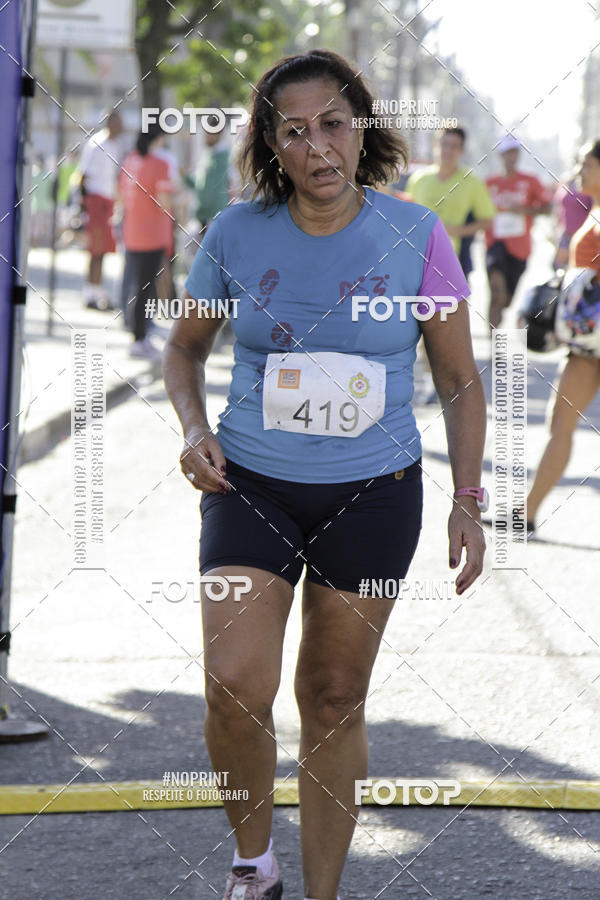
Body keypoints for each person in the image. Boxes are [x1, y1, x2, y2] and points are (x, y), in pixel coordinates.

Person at [163, 49, 487, 900]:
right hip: (251, 487)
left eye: (334, 125)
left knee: (334, 692)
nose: (318, 148)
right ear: (272, 146)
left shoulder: (418, 235)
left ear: (362, 129)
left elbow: (459, 379)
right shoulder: (235, 232)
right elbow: (185, 348)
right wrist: (195, 430)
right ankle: (252, 865)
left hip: (375, 494)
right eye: (295, 132)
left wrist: (470, 497)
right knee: (235, 684)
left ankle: (319, 893)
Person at [526, 139, 600, 533]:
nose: (579, 171)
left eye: (586, 163)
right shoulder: (593, 211)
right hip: (587, 346)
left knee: (561, 426)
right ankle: (526, 515)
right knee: (561, 424)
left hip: (592, 339)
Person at [485, 134, 552, 329]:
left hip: (520, 249)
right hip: (495, 244)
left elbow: (548, 208)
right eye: (507, 153)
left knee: (505, 299)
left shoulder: (531, 181)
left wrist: (524, 210)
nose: (511, 157)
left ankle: (501, 315)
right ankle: (494, 348)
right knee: (496, 294)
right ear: (500, 155)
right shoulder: (490, 183)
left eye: (514, 152)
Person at [118, 124, 173, 358]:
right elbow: (165, 202)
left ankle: (138, 332)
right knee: (145, 287)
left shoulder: (129, 161)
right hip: (152, 234)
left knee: (135, 284)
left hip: (132, 231)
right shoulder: (160, 165)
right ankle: (139, 337)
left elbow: (119, 195)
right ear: (158, 139)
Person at [405, 127, 495, 260]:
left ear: (462, 151)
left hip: (453, 259)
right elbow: (406, 215)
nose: (447, 150)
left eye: (454, 146)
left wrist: (458, 231)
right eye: (444, 144)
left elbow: (488, 221)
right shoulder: (418, 179)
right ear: (435, 146)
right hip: (417, 256)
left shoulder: (472, 181)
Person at [78, 112, 124, 309]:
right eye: (118, 123)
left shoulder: (115, 146)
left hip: (108, 201)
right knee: (95, 249)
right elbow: (83, 176)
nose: (121, 127)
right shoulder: (96, 144)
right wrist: (83, 206)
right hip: (95, 200)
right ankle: (90, 293)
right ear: (110, 123)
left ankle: (97, 291)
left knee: (104, 248)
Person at [552, 173, 592, 270]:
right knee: (558, 267)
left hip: (584, 237)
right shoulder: (567, 181)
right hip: (566, 234)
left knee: (579, 269)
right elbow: (561, 207)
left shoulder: (590, 182)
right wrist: (555, 228)